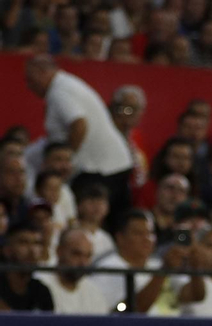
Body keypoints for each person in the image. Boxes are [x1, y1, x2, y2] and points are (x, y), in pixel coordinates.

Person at [24, 56, 135, 219]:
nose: (29, 86)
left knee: (89, 217)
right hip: (112, 165)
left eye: (30, 79)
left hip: (102, 170)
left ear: (43, 72)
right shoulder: (66, 85)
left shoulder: (60, 91)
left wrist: (67, 159)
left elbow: (79, 124)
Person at [36, 228, 108, 314]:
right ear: (59, 251)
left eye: (87, 256)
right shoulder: (41, 285)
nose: (83, 263)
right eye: (77, 254)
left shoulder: (94, 293)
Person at [0, 225, 54, 312]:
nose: (32, 250)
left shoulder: (42, 292)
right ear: (7, 250)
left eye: (37, 243)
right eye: (24, 242)